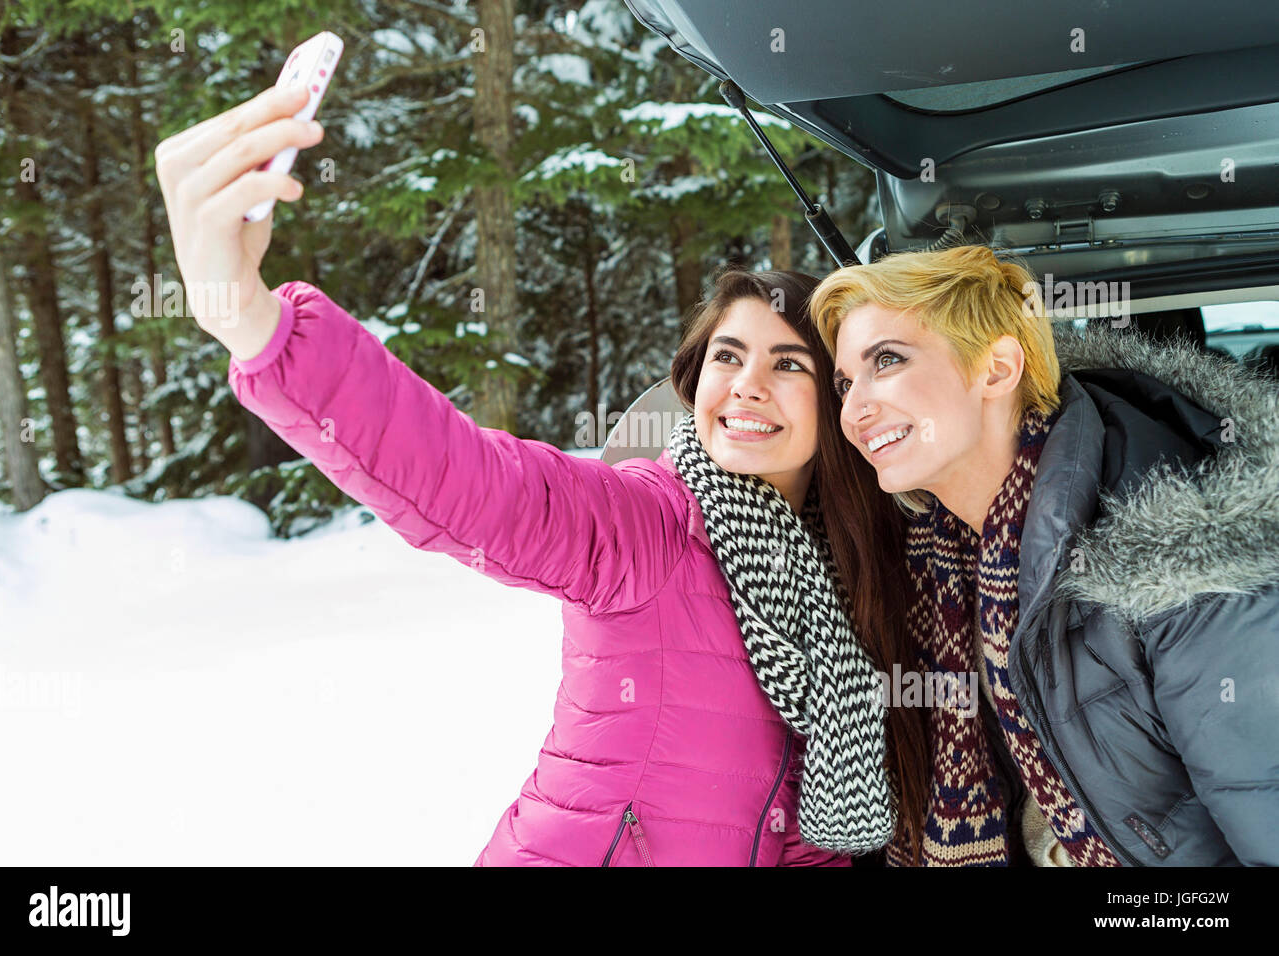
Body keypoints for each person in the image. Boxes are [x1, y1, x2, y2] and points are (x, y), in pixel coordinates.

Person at [153, 84, 929, 865]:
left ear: (833, 407)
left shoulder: (835, 586)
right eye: (727, 356)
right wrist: (257, 325)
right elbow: (467, 479)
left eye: (787, 363)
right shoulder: (647, 528)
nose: (747, 384)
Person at [810, 244, 1279, 866]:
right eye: (845, 382)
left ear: (998, 369)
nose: (854, 409)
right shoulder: (942, 555)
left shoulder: (1180, 566)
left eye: (887, 361)